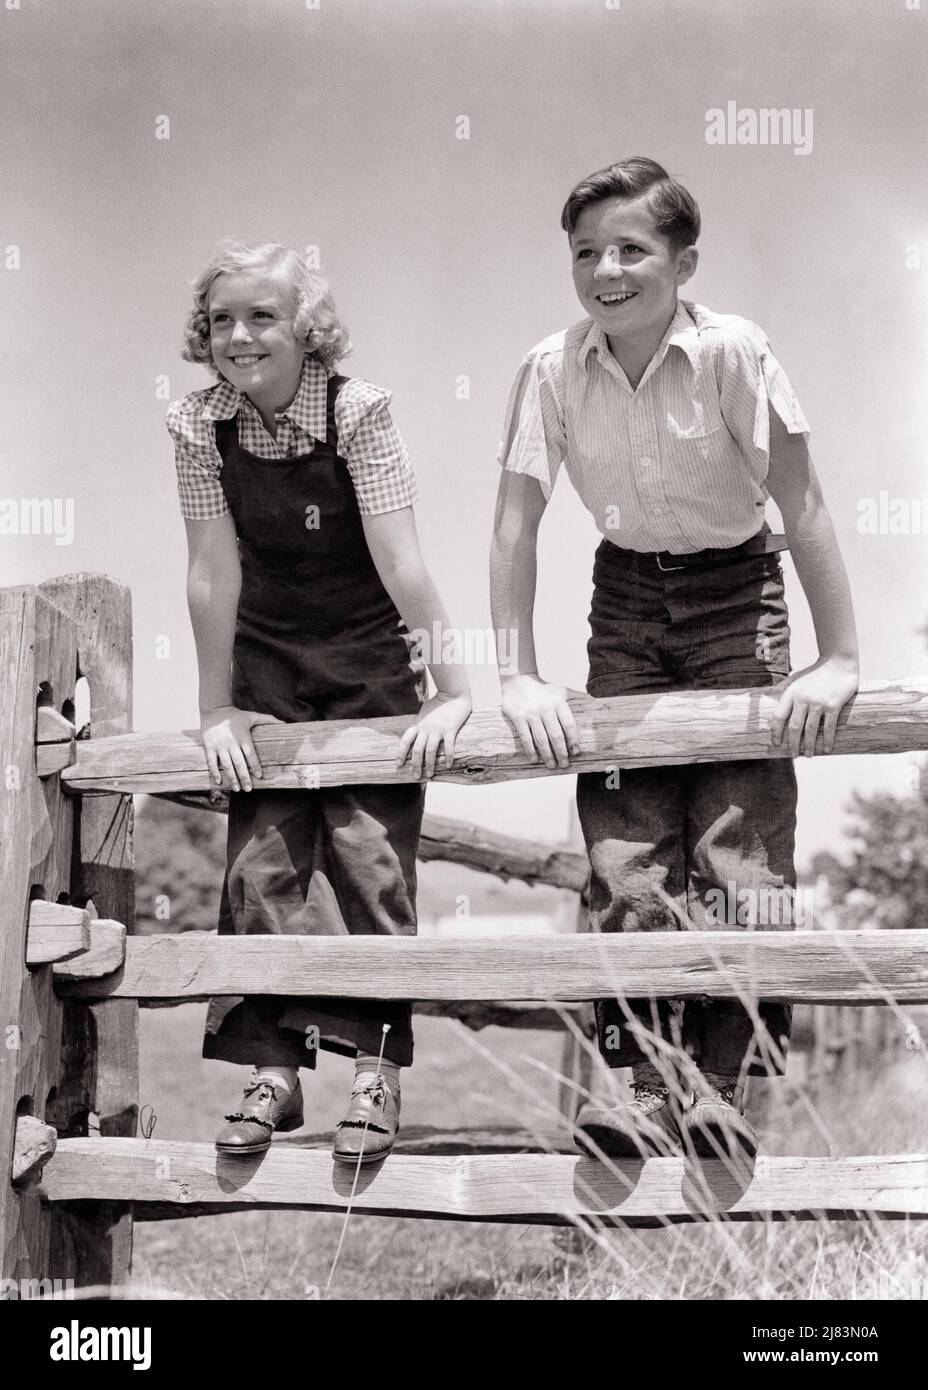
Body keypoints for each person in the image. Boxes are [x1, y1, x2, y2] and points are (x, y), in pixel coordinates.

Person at [490, 157, 859, 1160]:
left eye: (630, 249)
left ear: (682, 261)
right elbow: (515, 529)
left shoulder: (734, 351)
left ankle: (726, 1090)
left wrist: (837, 659)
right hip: (624, 603)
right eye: (584, 251)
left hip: (737, 592)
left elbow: (805, 501)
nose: (605, 269)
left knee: (740, 856)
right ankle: (636, 1083)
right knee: (626, 857)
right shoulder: (551, 368)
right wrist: (516, 672)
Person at [167, 241, 471, 1163]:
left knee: (368, 859)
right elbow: (212, 570)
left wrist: (452, 689)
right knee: (262, 869)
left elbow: (401, 557)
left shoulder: (360, 410)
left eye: (262, 316)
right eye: (221, 319)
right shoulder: (196, 425)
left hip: (367, 656)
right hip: (264, 658)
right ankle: (276, 1073)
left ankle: (376, 1072)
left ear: (306, 328)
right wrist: (217, 708)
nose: (239, 335)